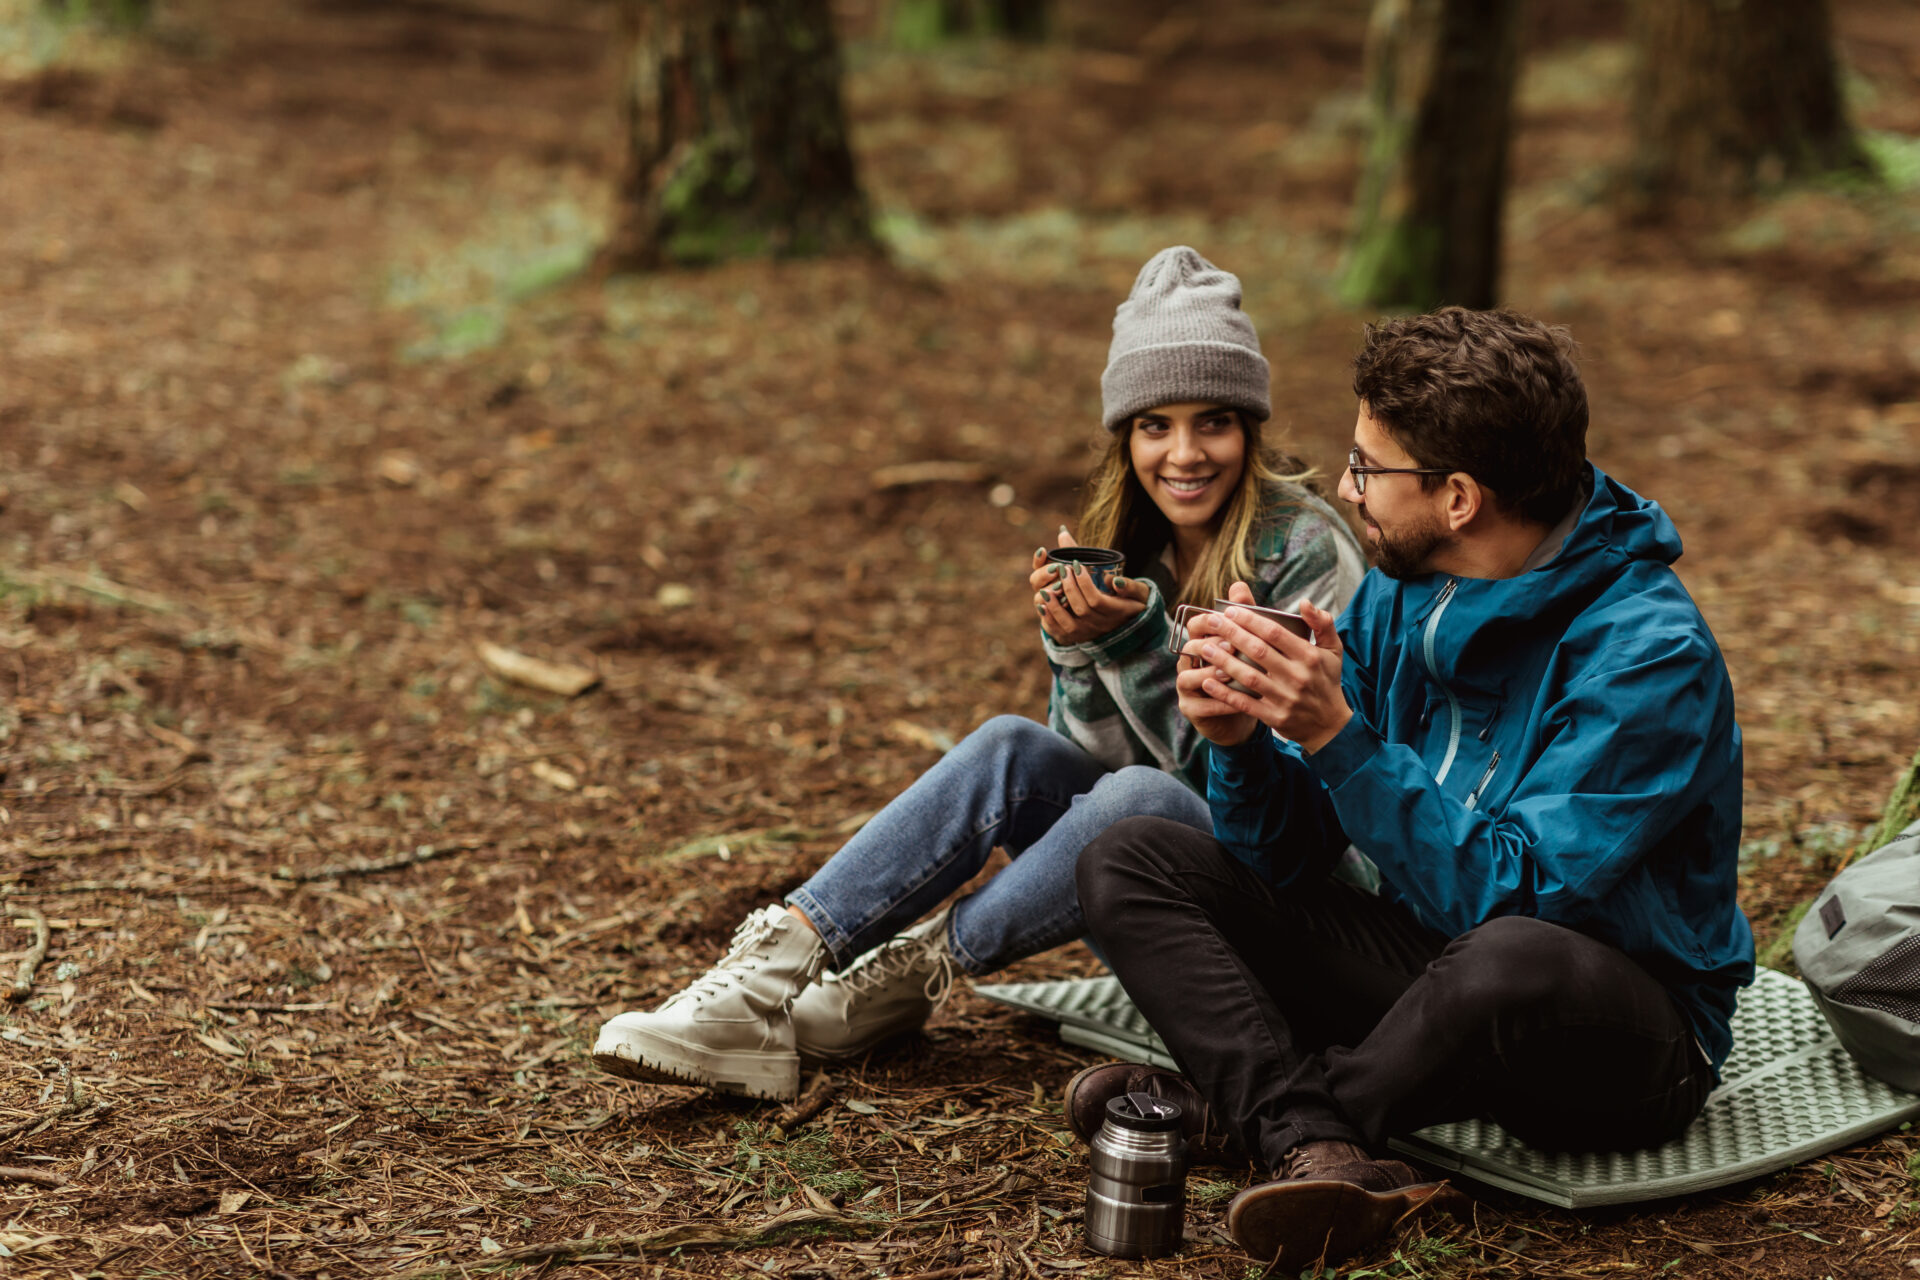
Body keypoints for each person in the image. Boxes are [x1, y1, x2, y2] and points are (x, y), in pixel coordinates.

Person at [1066, 307, 1754, 1271]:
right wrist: (1243, 747)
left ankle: (1246, 1117)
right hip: (1427, 967)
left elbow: (1516, 898)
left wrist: (1338, 737)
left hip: (1613, 1028)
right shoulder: (1402, 584)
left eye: (1367, 467)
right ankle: (1308, 1139)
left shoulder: (1647, 656)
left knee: (1509, 957)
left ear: (1460, 496)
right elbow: (1291, 860)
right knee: (1131, 856)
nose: (1346, 489)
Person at [591, 247, 1367, 1101]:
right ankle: (768, 974)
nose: (1184, 453)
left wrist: (1139, 645)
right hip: (1152, 889)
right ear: (1126, 434)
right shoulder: (1133, 547)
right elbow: (1086, 768)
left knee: (1135, 804)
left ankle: (906, 974)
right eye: (1156, 424)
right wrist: (1079, 652)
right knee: (1012, 747)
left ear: (1249, 428)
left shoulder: (1304, 553)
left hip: (1290, 921)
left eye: (1213, 420)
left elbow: (1268, 808)